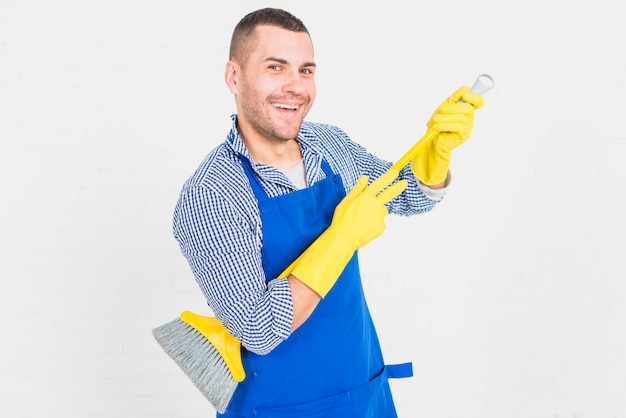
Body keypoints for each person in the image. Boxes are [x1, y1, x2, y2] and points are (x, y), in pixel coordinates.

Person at [172, 7, 484, 418]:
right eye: (275, 67)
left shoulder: (329, 145)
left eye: (305, 70)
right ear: (234, 76)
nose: (294, 86)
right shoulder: (212, 193)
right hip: (279, 409)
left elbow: (407, 197)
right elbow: (259, 329)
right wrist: (341, 238)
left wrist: (436, 152)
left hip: (363, 394)